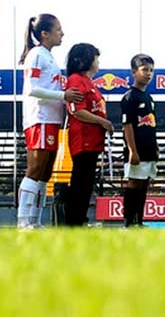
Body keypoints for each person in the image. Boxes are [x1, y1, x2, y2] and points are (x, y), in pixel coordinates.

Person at [17, 14, 83, 228]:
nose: (62, 33)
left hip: (53, 120)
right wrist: (63, 96)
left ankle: (35, 221)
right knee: (35, 169)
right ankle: (23, 221)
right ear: (44, 33)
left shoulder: (49, 57)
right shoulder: (36, 54)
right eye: (58, 29)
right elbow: (32, 89)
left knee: (46, 173)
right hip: (40, 118)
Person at [64, 43, 113, 226]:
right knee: (80, 180)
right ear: (84, 60)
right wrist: (102, 121)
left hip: (93, 141)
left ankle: (80, 219)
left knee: (86, 181)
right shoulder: (76, 80)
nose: (98, 62)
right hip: (83, 139)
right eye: (96, 58)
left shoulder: (90, 83)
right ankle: (74, 221)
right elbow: (77, 111)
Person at [121, 54, 158, 228]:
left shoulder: (149, 98)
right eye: (144, 70)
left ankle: (140, 221)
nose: (148, 74)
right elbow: (127, 125)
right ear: (134, 72)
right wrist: (132, 150)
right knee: (134, 183)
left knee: (144, 184)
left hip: (149, 148)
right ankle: (128, 221)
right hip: (136, 149)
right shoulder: (130, 97)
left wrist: (156, 147)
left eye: (151, 70)